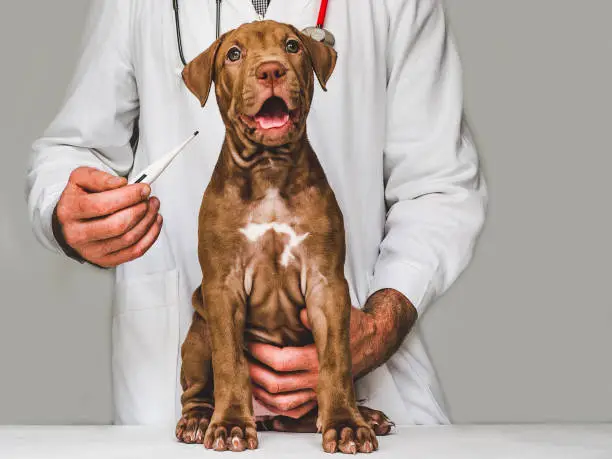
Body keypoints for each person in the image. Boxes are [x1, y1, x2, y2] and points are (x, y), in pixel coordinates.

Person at [26, 0, 487, 427]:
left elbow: (440, 185)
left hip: (365, 393)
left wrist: (380, 325)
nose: (269, 69)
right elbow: (74, 149)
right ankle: (207, 399)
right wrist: (66, 210)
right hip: (178, 404)